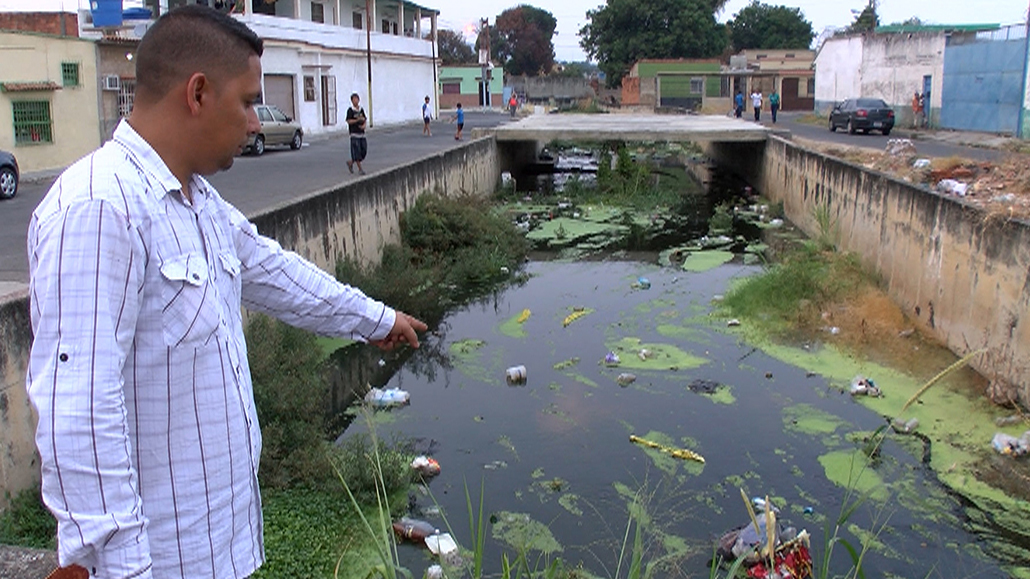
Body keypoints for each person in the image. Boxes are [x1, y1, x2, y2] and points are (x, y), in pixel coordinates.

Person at [25, 6, 427, 579]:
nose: (256, 122)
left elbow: (277, 274)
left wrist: (376, 318)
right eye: (246, 102)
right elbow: (80, 409)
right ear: (197, 93)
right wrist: (116, 566)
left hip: (220, 549)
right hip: (158, 564)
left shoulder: (197, 202)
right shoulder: (98, 207)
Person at [346, 92, 367, 174]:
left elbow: (364, 118)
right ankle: (360, 169)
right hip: (354, 134)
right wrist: (357, 120)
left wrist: (364, 125)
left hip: (362, 134)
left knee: (363, 151)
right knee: (357, 152)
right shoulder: (350, 110)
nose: (356, 101)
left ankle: (350, 162)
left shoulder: (361, 109)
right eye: (354, 99)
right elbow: (348, 121)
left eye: (357, 99)